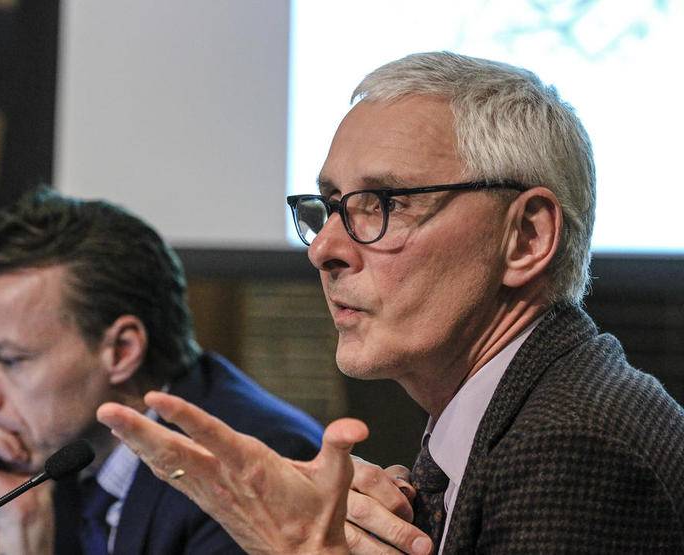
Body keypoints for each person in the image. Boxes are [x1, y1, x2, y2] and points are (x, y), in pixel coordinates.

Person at [97, 51, 684, 554]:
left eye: (383, 202)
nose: (324, 247)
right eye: (328, 204)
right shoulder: (513, 415)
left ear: (526, 238)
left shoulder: (574, 451)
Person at [0, 189, 323, 554]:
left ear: (122, 351)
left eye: (9, 360)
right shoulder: (61, 455)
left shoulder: (247, 470)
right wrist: (20, 523)